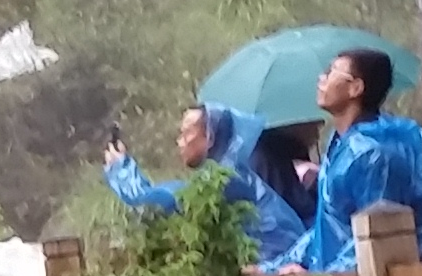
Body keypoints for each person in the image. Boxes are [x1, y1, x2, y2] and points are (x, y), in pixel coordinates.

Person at [285, 44, 422, 270]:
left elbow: (379, 239)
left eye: (331, 71)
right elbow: (328, 228)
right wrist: (282, 265)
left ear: (356, 88)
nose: (321, 78)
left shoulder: (374, 155)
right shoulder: (343, 146)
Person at [104, 101, 312, 254]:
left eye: (186, 133)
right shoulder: (230, 172)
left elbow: (168, 200)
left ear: (209, 137)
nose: (180, 142)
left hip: (278, 270)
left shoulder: (228, 178)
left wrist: (123, 172)